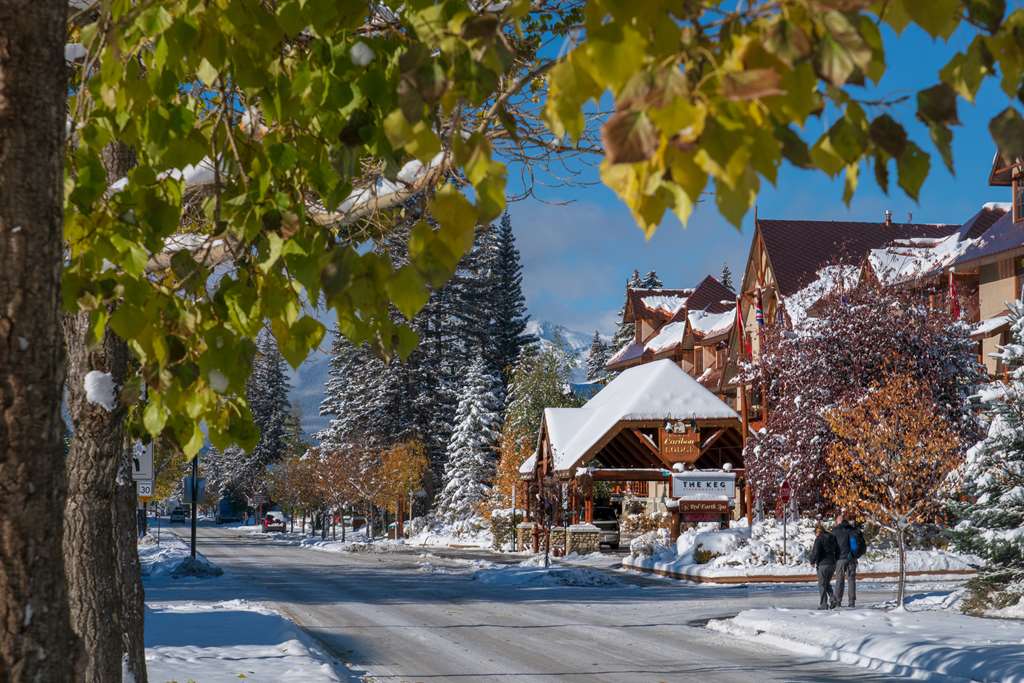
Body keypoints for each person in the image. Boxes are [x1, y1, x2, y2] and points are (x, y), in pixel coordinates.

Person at [832, 511, 866, 608]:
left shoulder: (835, 531)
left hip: (840, 559)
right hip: (851, 558)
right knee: (851, 580)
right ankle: (851, 602)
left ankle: (838, 601)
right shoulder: (852, 530)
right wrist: (854, 555)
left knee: (839, 580)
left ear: (838, 521)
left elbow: (832, 546)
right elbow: (856, 544)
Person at [809, 522, 838, 609]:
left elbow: (816, 551)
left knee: (822, 584)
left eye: (815, 533)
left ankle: (823, 604)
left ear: (818, 531)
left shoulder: (819, 539)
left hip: (823, 564)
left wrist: (812, 561)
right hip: (832, 564)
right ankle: (833, 599)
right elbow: (837, 550)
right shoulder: (832, 537)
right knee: (826, 583)